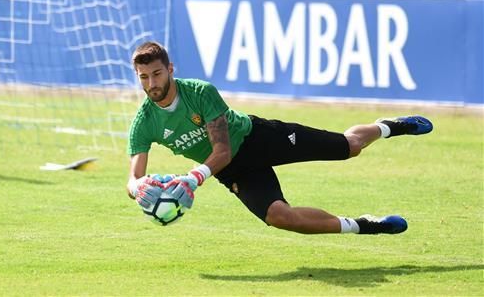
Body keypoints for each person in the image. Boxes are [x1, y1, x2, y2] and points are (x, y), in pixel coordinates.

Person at [126, 41, 433, 235]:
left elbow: (222, 149)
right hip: (233, 171)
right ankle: (365, 225)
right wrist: (141, 187)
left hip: (257, 138)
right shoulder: (144, 122)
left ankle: (388, 126)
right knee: (281, 217)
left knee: (349, 147)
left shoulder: (199, 92)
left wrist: (192, 178)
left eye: (157, 74)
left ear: (170, 69)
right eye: (144, 77)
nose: (151, 83)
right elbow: (132, 179)